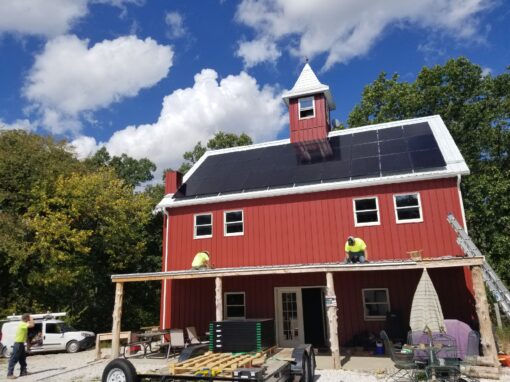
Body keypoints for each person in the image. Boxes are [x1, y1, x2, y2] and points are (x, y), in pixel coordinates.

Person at [7, 313, 35, 379]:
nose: (29, 319)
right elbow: (32, 325)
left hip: (21, 344)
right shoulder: (22, 324)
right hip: (18, 344)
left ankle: (23, 372)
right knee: (13, 359)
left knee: (22, 359)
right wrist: (32, 318)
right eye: (28, 318)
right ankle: (9, 374)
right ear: (26, 319)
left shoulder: (23, 324)